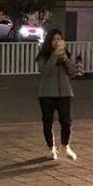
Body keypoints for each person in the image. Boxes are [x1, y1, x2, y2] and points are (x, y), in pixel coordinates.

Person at [36, 29, 77, 161]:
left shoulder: (66, 55)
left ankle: (65, 145)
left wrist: (65, 58)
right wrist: (54, 55)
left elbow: (73, 72)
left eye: (59, 39)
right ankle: (51, 148)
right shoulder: (43, 56)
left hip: (64, 93)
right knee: (47, 122)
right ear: (49, 41)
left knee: (66, 121)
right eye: (54, 39)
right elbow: (45, 71)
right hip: (47, 94)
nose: (57, 42)